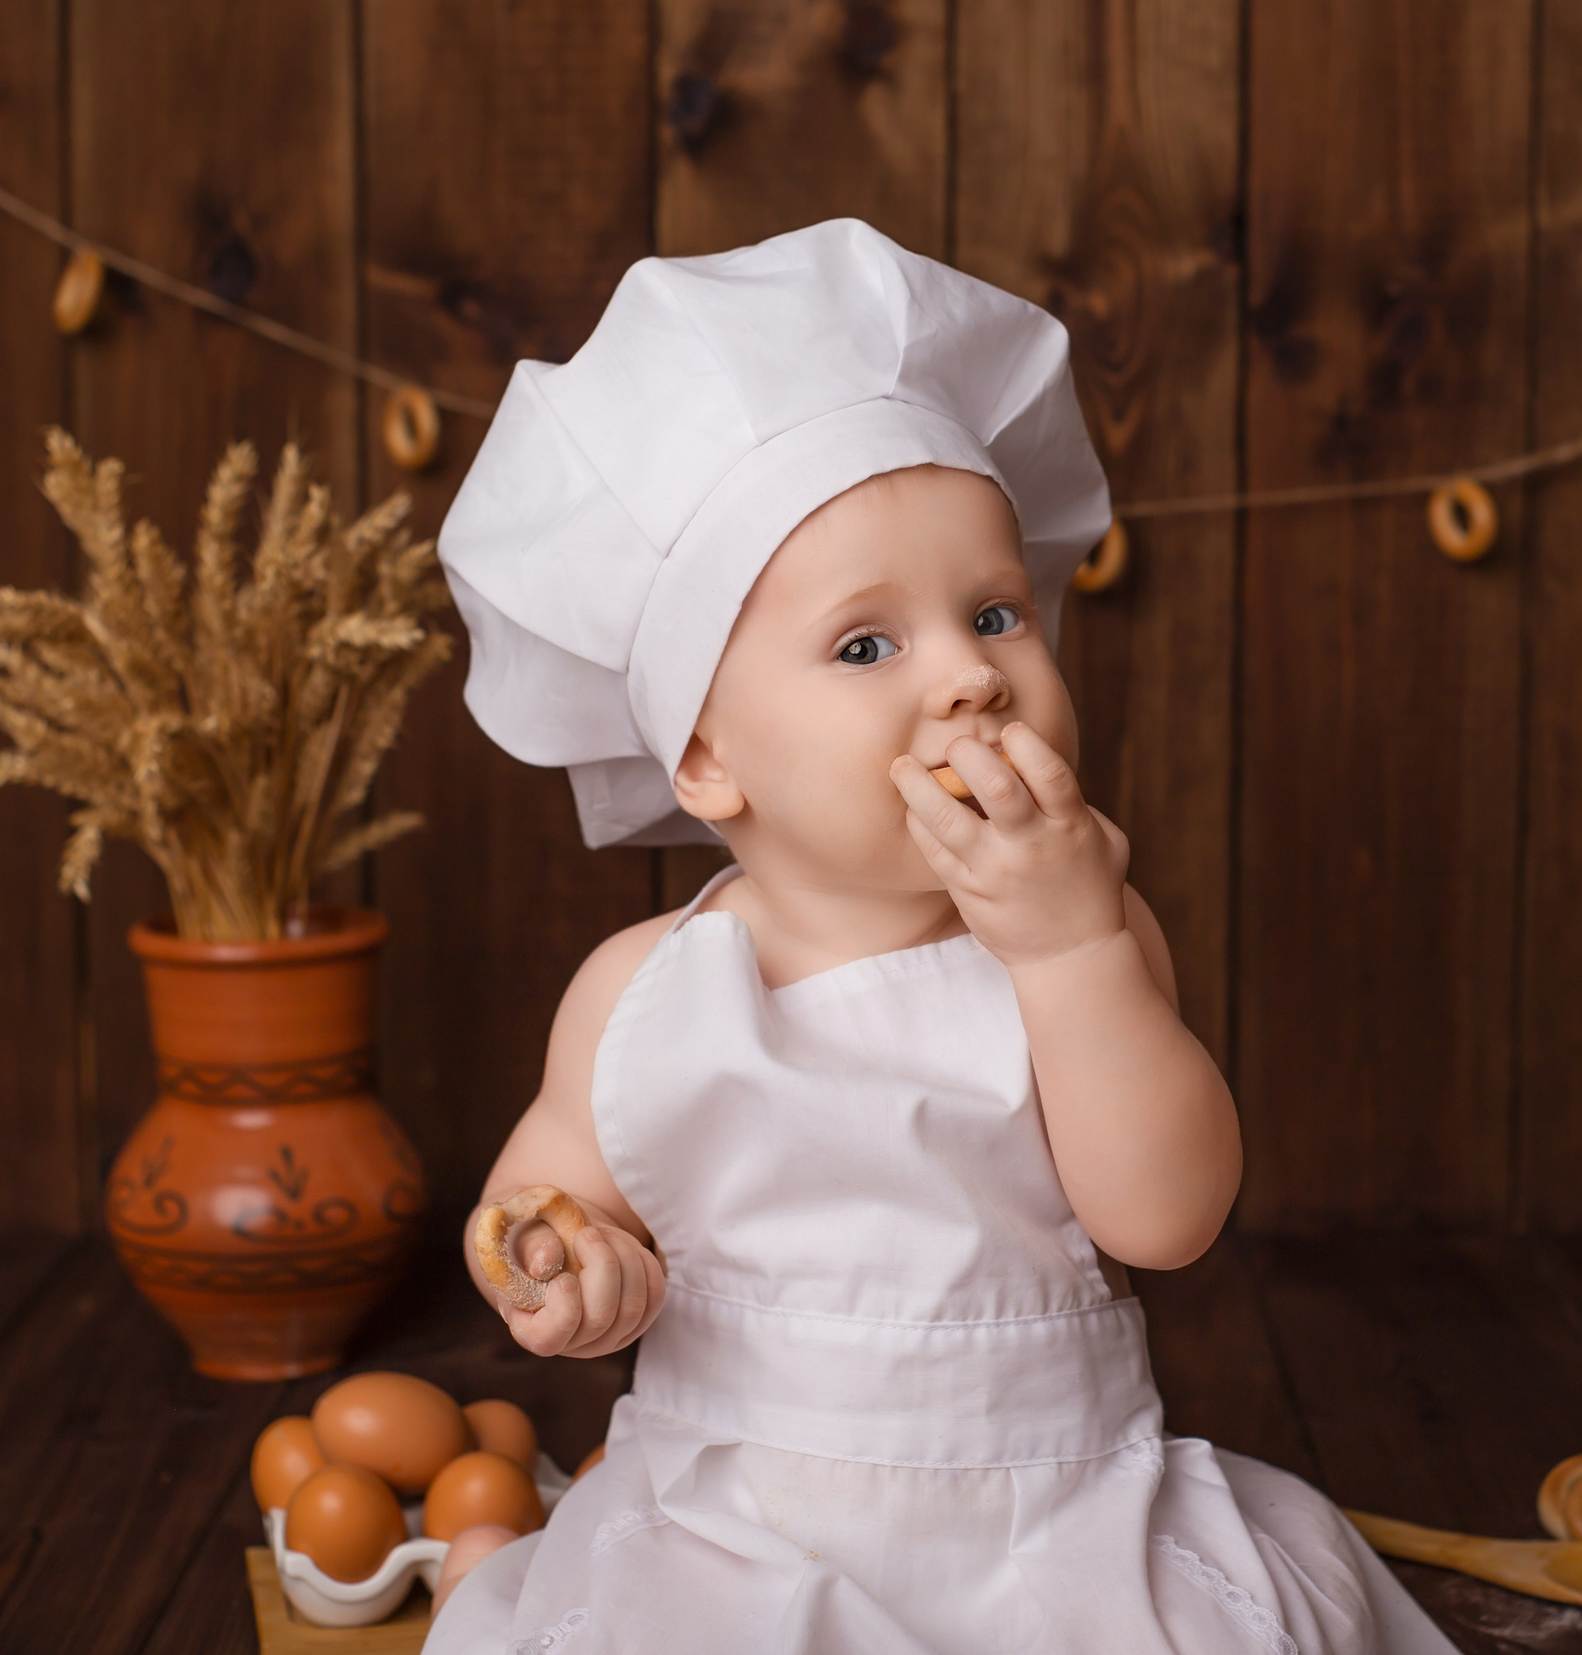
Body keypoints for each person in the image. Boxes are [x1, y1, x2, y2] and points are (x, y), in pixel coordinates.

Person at [422, 219, 1457, 1654]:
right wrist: (562, 1265)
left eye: (996, 611)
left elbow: (1167, 1218)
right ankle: (491, 1568)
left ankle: (487, 1560)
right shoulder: (645, 991)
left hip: (1063, 1525)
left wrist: (1068, 952)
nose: (973, 673)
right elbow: (533, 1201)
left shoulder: (1083, 935)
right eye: (868, 645)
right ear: (709, 758)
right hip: (737, 1542)